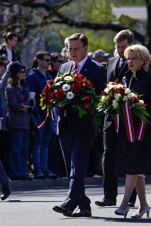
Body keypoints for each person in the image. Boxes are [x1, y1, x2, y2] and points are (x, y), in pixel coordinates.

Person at [52, 33, 106, 217]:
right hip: (65, 123)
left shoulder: (96, 69)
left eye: (76, 49)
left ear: (85, 49)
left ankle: (69, 203)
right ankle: (84, 206)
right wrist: (55, 100)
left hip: (84, 125)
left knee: (78, 164)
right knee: (70, 167)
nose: (72, 52)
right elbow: (56, 90)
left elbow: (100, 95)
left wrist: (81, 99)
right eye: (69, 48)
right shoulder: (64, 67)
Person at [114, 44, 151, 219]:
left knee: (133, 166)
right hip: (127, 128)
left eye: (133, 58)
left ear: (143, 60)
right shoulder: (125, 78)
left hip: (142, 129)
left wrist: (136, 104)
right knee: (136, 168)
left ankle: (124, 204)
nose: (129, 61)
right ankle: (144, 205)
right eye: (128, 58)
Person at [95, 30, 135, 208]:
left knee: (128, 156)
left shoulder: (137, 62)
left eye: (124, 47)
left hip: (129, 117)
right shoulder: (110, 62)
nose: (120, 50)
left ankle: (132, 195)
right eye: (118, 47)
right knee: (108, 155)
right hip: (111, 116)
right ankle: (109, 195)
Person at [26, 51, 57, 180]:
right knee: (37, 142)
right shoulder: (33, 76)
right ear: (39, 60)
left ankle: (45, 169)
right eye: (46, 60)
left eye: (50, 60)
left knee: (46, 142)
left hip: (49, 113)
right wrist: (36, 112)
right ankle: (37, 169)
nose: (48, 62)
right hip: (39, 114)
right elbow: (31, 97)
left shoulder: (49, 75)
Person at [5, 62, 33, 181]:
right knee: (15, 148)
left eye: (24, 72)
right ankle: (15, 172)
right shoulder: (10, 88)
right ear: (15, 74)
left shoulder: (25, 85)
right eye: (21, 72)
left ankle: (22, 171)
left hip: (26, 121)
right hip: (15, 121)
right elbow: (14, 105)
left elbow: (31, 103)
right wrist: (27, 104)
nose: (23, 74)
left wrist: (29, 105)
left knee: (23, 148)